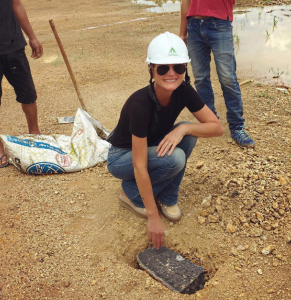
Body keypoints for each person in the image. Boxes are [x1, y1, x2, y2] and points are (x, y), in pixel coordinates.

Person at [107, 32, 223, 249]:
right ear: (151, 69)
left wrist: (185, 128)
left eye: (178, 67)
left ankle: (168, 197)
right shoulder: (139, 104)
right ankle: (129, 193)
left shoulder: (184, 91)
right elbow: (139, 165)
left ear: (185, 69)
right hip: (121, 157)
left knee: (186, 136)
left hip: (149, 147)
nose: (171, 73)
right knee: (175, 157)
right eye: (163, 68)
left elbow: (216, 127)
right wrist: (153, 217)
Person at [179, 0, 255, 148]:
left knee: (227, 78)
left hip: (220, 24)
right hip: (193, 25)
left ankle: (237, 126)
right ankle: (209, 121)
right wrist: (183, 33)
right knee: (200, 77)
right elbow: (186, 2)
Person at [0, 0, 43, 168]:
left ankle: (34, 133)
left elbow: (16, 3)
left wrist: (32, 37)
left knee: (28, 93)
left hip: (13, 45)